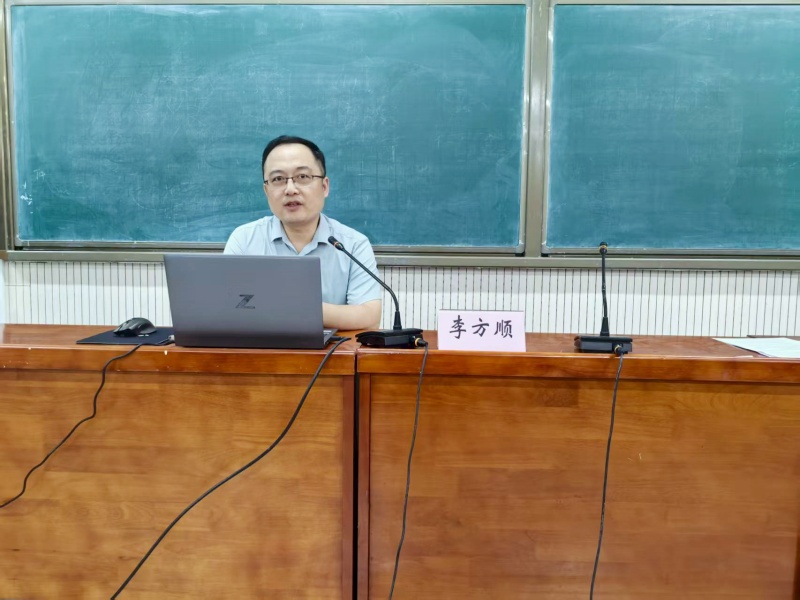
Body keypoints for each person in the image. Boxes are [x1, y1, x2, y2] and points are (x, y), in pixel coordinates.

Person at [224, 135, 382, 330]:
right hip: (261, 348)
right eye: (278, 179)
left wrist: (289, 308)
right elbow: (227, 310)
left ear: (324, 187)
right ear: (266, 191)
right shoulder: (244, 240)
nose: (290, 189)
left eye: (303, 177)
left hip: (331, 349)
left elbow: (369, 317)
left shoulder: (353, 245)